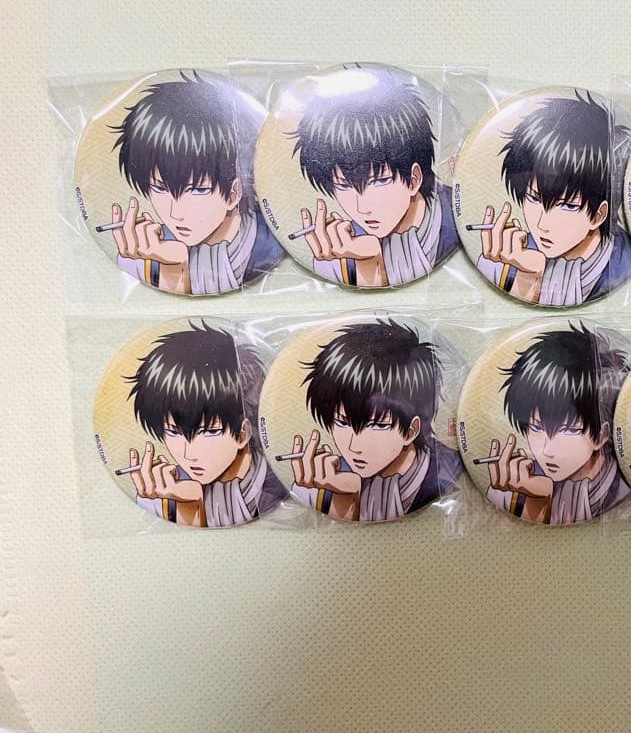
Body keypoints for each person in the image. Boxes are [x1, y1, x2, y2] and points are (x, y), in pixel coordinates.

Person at [110, 71, 282, 294]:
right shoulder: (149, 250)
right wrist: (173, 267)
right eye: (159, 188)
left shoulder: (269, 239)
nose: (176, 213)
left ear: (234, 193)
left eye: (198, 189)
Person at [290, 68, 457, 287]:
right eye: (343, 185)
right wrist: (368, 262)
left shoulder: (455, 218)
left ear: (415, 178)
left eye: (380, 181)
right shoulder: (340, 251)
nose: (363, 208)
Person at [474, 91, 631, 306]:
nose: (542, 224)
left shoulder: (626, 259)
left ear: (599, 215)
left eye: (567, 205)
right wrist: (528, 276)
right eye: (533, 198)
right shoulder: (505, 257)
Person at [289, 320, 459, 522]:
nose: (354, 447)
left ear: (411, 430)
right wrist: (345, 497)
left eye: (378, 425)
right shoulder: (324, 480)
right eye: (342, 422)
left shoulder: (447, 470)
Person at [123, 322, 277, 527]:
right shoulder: (165, 493)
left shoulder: (277, 484)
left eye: (210, 431)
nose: (189, 454)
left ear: (243, 433)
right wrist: (187, 508)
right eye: (174, 431)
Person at [484, 325, 630, 524]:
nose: (547, 451)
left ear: (602, 435)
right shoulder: (515, 485)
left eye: (569, 429)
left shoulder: (623, 484)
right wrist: (534, 501)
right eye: (536, 427)